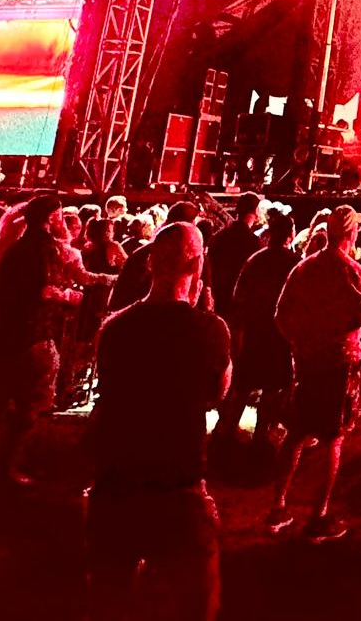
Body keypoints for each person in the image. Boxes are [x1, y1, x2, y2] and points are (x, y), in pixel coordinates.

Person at [86, 222, 229, 621]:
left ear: (149, 263)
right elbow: (216, 393)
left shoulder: (113, 328)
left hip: (115, 479)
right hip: (176, 483)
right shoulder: (210, 329)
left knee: (108, 597)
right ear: (199, 265)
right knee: (197, 600)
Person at [267, 204, 361, 541]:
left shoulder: (304, 268)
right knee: (333, 436)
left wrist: (299, 343)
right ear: (351, 234)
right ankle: (319, 515)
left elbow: (280, 314)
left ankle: (278, 506)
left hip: (308, 360)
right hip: (339, 361)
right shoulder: (351, 271)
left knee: (296, 432)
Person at [0, 194, 91, 485]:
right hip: (34, 334)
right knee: (34, 402)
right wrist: (70, 295)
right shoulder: (45, 250)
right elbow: (43, 290)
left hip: (8, 332)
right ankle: (10, 466)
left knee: (0, 399)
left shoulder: (16, 247)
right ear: (52, 217)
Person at [214, 209, 298, 450]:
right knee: (272, 387)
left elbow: (238, 294)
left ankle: (226, 431)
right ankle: (260, 436)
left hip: (255, 330)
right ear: (290, 235)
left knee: (244, 384)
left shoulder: (256, 260)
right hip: (278, 332)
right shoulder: (293, 263)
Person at [204, 192, 262, 326]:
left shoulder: (218, 237)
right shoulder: (252, 241)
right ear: (255, 211)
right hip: (238, 300)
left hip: (218, 296)